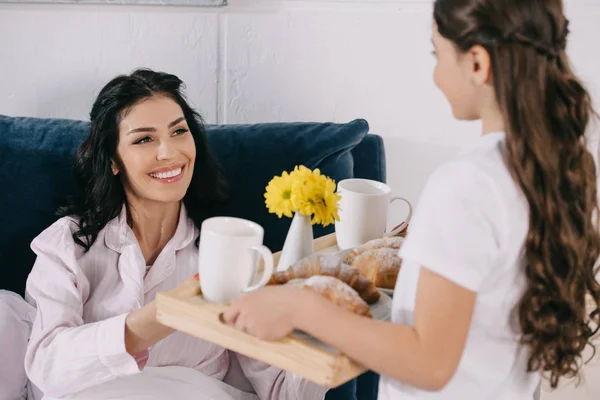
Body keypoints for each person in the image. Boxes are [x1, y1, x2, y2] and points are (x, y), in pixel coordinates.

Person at [222, 0, 600, 399]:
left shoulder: (467, 184)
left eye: (438, 53)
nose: (436, 74)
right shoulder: (550, 167)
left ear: (477, 64)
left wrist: (301, 309)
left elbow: (430, 363)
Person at [16, 69, 328, 400]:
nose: (169, 153)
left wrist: (328, 329)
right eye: (144, 139)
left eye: (179, 131)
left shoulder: (231, 252)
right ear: (112, 160)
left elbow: (285, 392)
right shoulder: (69, 243)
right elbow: (47, 368)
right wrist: (166, 314)